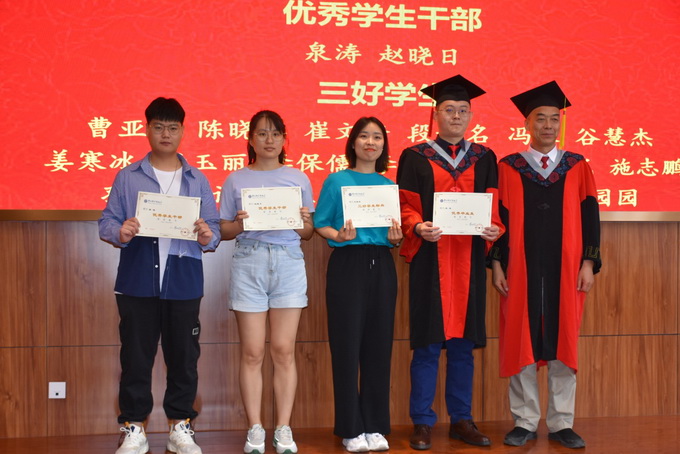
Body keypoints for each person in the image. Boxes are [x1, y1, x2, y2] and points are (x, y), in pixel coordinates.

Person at [99, 97, 220, 454]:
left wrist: (206, 235)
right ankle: (133, 428)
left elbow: (213, 228)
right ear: (147, 129)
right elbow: (107, 221)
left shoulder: (196, 179)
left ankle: (180, 426)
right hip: (137, 279)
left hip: (183, 281)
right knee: (135, 358)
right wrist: (120, 231)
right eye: (158, 127)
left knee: (184, 358)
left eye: (173, 127)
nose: (166, 134)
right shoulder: (128, 176)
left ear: (182, 131)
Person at [490, 81, 601, 449]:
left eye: (555, 119)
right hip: (519, 268)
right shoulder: (509, 167)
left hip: (567, 269)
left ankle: (561, 422)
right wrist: (497, 264)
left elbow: (590, 216)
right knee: (520, 337)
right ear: (527, 123)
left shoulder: (577, 166)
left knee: (563, 339)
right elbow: (499, 219)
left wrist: (589, 262)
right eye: (541, 118)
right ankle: (524, 421)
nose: (548, 125)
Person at [397, 75, 503, 450]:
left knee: (462, 346)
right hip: (431, 260)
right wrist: (416, 225)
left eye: (462, 110)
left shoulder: (485, 158)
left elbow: (494, 205)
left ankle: (461, 419)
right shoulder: (415, 156)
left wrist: (494, 228)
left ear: (470, 116)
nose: (456, 116)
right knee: (427, 345)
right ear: (436, 114)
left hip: (468, 262)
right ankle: (422, 421)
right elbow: (405, 205)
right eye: (449, 109)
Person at [219, 110, 314, 454]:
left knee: (284, 351)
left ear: (284, 139)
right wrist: (240, 224)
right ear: (250, 139)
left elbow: (307, 232)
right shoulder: (235, 180)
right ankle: (255, 428)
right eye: (261, 133)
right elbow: (224, 230)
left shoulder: (298, 178)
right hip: (250, 261)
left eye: (275, 133)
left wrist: (302, 221)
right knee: (253, 352)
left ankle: (284, 428)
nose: (269, 140)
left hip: (288, 261)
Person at [314, 117, 403, 453]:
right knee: (347, 347)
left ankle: (375, 426)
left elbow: (393, 234)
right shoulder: (336, 180)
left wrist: (396, 238)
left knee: (379, 348)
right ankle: (351, 428)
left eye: (377, 137)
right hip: (347, 264)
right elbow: (321, 223)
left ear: (383, 145)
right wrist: (338, 236)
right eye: (364, 136)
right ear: (352, 142)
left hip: (382, 264)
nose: (370, 142)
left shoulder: (388, 185)